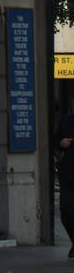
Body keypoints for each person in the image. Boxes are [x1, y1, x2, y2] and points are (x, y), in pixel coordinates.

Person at [52, 110, 74, 258]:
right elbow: (54, 141)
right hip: (68, 174)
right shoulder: (65, 121)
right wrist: (60, 143)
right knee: (66, 211)